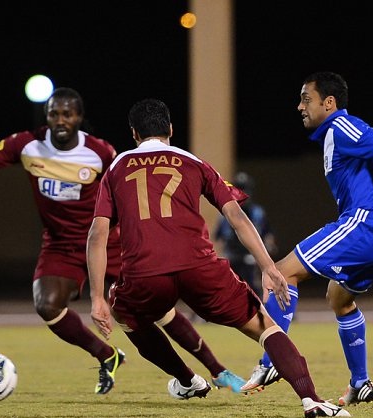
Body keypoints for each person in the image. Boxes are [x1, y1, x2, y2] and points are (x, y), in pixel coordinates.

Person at [0, 88, 244, 396]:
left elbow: (132, 188)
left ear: (79, 117)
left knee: (156, 308)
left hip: (109, 241)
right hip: (60, 244)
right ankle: (110, 356)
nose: (60, 120)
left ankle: (218, 370)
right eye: (54, 113)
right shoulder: (26, 145)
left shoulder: (101, 153)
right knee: (47, 305)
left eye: (67, 113)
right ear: (47, 116)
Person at [87, 98, 351, 417]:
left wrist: (97, 296)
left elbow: (98, 235)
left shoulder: (117, 167)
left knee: (127, 316)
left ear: (133, 133)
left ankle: (187, 380)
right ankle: (312, 401)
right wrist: (268, 267)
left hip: (145, 273)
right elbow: (237, 217)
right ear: (170, 129)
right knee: (265, 328)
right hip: (199, 267)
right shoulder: (193, 162)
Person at [240, 71, 373, 407]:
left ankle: (272, 363)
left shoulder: (342, 126)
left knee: (279, 274)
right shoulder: (331, 135)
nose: (300, 106)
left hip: (367, 223)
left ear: (329, 103)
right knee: (339, 298)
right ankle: (360, 383)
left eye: (306, 99)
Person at [214, 171, 278, 296]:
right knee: (224, 285)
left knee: (254, 284)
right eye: (239, 188)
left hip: (250, 254)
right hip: (231, 254)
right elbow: (219, 236)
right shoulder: (225, 212)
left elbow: (267, 232)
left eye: (245, 189)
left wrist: (267, 249)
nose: (243, 192)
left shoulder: (257, 212)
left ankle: (271, 308)